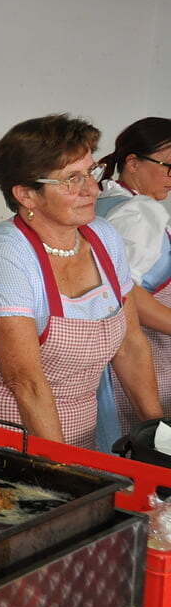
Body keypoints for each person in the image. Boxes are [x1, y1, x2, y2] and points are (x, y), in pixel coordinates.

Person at [0, 114, 162, 448]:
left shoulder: (103, 238)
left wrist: (159, 436)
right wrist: (62, 469)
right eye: (71, 179)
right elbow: (27, 383)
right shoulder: (5, 257)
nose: (92, 189)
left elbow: (130, 344)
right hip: (1, 435)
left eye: (91, 172)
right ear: (27, 195)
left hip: (77, 429)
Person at [94, 117, 171, 452]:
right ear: (133, 162)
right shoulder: (139, 213)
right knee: (143, 446)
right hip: (141, 349)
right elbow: (125, 294)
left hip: (112, 349)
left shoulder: (101, 203)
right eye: (168, 166)